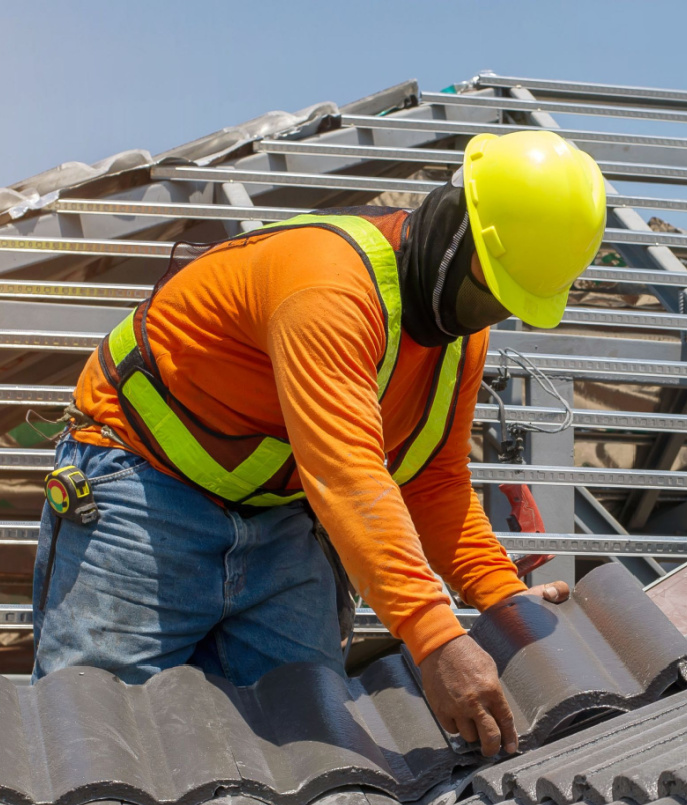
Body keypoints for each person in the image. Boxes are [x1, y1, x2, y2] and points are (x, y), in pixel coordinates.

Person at [31, 129, 607, 757]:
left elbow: (434, 480)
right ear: (452, 225)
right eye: (485, 287)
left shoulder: (459, 339)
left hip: (277, 517)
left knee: (307, 747)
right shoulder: (328, 282)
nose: (485, 313)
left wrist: (502, 599)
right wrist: (436, 638)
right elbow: (348, 472)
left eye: (506, 302)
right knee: (101, 738)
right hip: (141, 493)